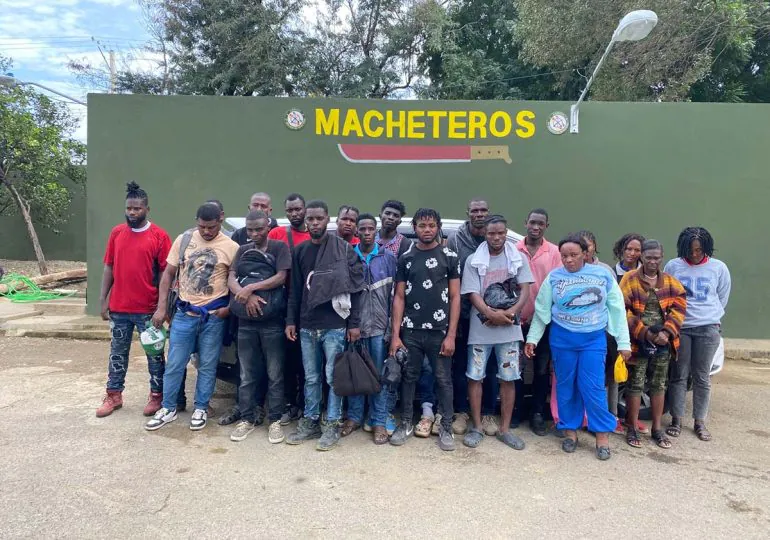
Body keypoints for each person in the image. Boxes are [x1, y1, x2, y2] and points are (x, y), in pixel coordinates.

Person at [525, 234, 631, 461]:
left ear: (585, 253)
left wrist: (624, 342)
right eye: (564, 256)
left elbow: (617, 310)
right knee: (565, 386)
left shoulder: (602, 275)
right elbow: (542, 310)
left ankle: (601, 436)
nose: (569, 260)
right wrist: (532, 339)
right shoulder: (554, 278)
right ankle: (570, 432)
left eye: (574, 255)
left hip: (593, 340)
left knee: (593, 387)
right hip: (562, 340)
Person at [144, 203, 239, 432]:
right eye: (202, 226)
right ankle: (168, 408)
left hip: (213, 318)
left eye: (211, 227)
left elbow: (236, 281)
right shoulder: (184, 240)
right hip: (184, 315)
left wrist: (228, 308)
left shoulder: (232, 247)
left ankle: (201, 408)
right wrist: (161, 307)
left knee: (207, 365)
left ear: (221, 220)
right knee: (175, 364)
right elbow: (168, 275)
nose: (206, 231)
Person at [285, 200, 364, 451]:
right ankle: (310, 421)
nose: (314, 223)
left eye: (319, 218)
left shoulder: (343, 249)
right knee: (310, 377)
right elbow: (295, 290)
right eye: (310, 219)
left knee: (332, 377)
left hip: (335, 324)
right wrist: (291, 321)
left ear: (328, 219)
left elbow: (356, 288)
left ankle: (332, 424)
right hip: (308, 324)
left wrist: (354, 324)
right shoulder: (300, 251)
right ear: (306, 221)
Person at [96, 182, 172, 418]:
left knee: (155, 356)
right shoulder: (117, 233)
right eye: (129, 208)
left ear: (147, 209)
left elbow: (166, 274)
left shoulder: (159, 236)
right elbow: (109, 266)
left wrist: (162, 307)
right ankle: (113, 395)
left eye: (137, 208)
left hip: (148, 311)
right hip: (119, 309)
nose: (132, 212)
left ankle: (157, 396)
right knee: (117, 354)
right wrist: (103, 299)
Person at [390, 208, 460, 451]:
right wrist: (396, 336)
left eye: (431, 225)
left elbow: (455, 297)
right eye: (422, 225)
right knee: (409, 377)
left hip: (440, 331)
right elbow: (399, 297)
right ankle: (406, 423)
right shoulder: (406, 258)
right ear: (415, 228)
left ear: (438, 227)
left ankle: (446, 427)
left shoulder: (450, 256)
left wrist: (451, 335)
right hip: (411, 330)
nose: (427, 230)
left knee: (443, 379)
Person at [461, 215, 533, 450]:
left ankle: (505, 429)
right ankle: (477, 427)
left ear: (506, 233)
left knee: (509, 378)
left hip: (509, 330)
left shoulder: (518, 258)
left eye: (501, 233)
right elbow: (472, 293)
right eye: (491, 233)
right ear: (485, 234)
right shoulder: (474, 260)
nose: (496, 237)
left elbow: (525, 290)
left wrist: (509, 313)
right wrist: (490, 314)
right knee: (475, 376)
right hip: (480, 329)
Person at [227, 211, 292, 443]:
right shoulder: (242, 250)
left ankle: (274, 420)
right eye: (250, 230)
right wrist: (243, 293)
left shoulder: (279, 248)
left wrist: (251, 288)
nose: (254, 234)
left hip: (272, 322)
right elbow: (231, 277)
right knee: (246, 375)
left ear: (268, 227)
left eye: (258, 229)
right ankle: (247, 418)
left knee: (275, 374)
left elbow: (281, 277)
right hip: (245, 323)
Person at [664, 227, 731, 442]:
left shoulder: (718, 268)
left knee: (702, 376)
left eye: (699, 250)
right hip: (681, 327)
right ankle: (676, 419)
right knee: (679, 374)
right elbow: (667, 293)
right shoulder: (673, 266)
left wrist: (711, 317)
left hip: (707, 328)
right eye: (690, 250)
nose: (694, 254)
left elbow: (722, 297)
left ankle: (699, 421)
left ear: (706, 248)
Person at [620, 240, 687, 450]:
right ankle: (631, 427)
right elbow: (622, 310)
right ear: (642, 257)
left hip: (663, 342)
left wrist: (666, 332)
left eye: (656, 258)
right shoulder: (629, 279)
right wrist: (645, 333)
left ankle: (657, 429)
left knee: (659, 384)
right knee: (635, 383)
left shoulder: (671, 283)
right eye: (648, 257)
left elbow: (679, 309)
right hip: (638, 341)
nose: (652, 262)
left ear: (662, 257)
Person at [581, 230, 648, 435]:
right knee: (606, 376)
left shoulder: (644, 274)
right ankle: (606, 416)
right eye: (628, 248)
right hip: (605, 330)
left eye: (637, 250)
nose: (632, 253)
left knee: (627, 376)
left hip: (636, 330)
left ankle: (624, 418)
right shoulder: (612, 271)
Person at [446, 198, 499, 436]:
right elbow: (449, 278)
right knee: (460, 366)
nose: (479, 214)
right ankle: (461, 412)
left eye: (483, 210)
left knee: (490, 367)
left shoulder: (496, 239)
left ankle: (488, 413)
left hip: (493, 316)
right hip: (464, 315)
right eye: (475, 210)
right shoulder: (455, 240)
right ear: (467, 212)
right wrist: (453, 318)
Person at [343, 213, 398, 444]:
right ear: (357, 231)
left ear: (376, 231)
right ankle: (354, 417)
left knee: (379, 376)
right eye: (362, 229)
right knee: (355, 373)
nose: (366, 233)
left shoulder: (388, 258)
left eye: (370, 229)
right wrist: (350, 325)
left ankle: (378, 420)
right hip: (355, 328)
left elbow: (396, 297)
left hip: (379, 328)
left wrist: (392, 330)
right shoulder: (349, 256)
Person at [515, 208, 561, 435]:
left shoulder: (554, 252)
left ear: (546, 226)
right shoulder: (514, 249)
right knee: (515, 367)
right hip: (513, 320)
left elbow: (558, 286)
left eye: (540, 223)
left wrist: (540, 315)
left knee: (541, 369)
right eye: (532, 222)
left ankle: (537, 413)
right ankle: (516, 410)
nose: (536, 227)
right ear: (525, 222)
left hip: (543, 321)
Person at [268, 193, 312, 424]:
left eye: (298, 209)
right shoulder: (276, 234)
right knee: (286, 358)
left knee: (307, 359)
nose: (294, 214)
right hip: (282, 303)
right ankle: (289, 403)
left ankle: (305, 404)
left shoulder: (315, 234)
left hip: (308, 303)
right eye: (290, 210)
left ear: (305, 209)